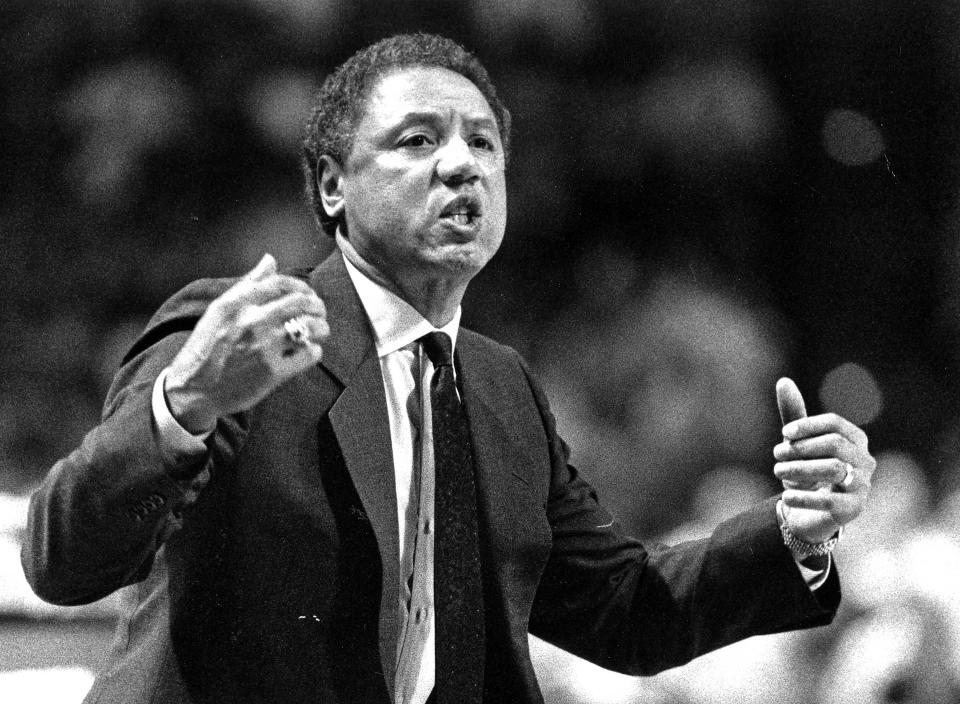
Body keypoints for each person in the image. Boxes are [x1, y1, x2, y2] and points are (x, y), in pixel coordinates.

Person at [21, 33, 876, 704]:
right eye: (417, 140)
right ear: (331, 186)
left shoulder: (502, 389)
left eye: (484, 144)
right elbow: (62, 563)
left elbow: (626, 612)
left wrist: (797, 532)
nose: (462, 164)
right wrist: (185, 404)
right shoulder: (243, 337)